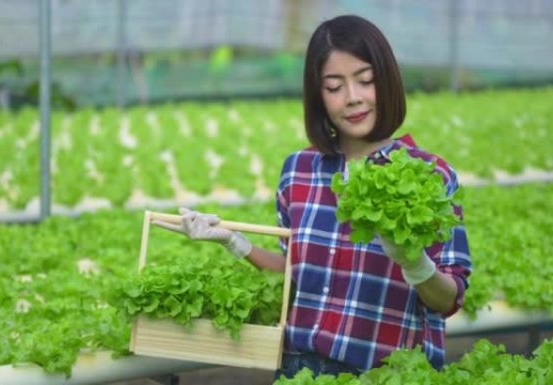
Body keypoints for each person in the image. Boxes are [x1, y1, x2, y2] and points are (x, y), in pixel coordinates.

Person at [154, 14, 471, 379]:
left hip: (387, 374)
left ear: (386, 80)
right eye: (334, 87)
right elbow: (296, 272)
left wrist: (416, 265)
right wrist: (234, 242)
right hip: (300, 370)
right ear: (318, 97)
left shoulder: (431, 176)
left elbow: (448, 299)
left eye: (365, 81)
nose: (353, 98)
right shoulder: (299, 171)